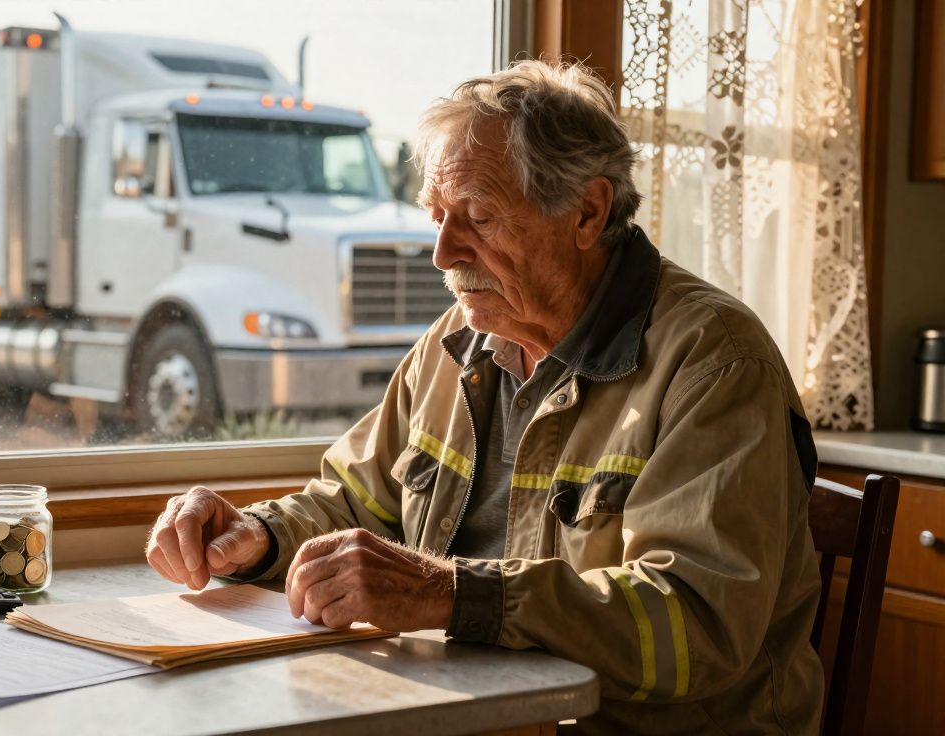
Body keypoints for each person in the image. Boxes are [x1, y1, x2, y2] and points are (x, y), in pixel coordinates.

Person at [145, 59, 824, 734]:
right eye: (437, 216)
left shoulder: (714, 362)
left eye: (477, 217)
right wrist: (256, 537)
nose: (442, 252)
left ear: (587, 212)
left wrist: (448, 594)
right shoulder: (459, 343)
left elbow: (697, 627)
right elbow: (357, 502)